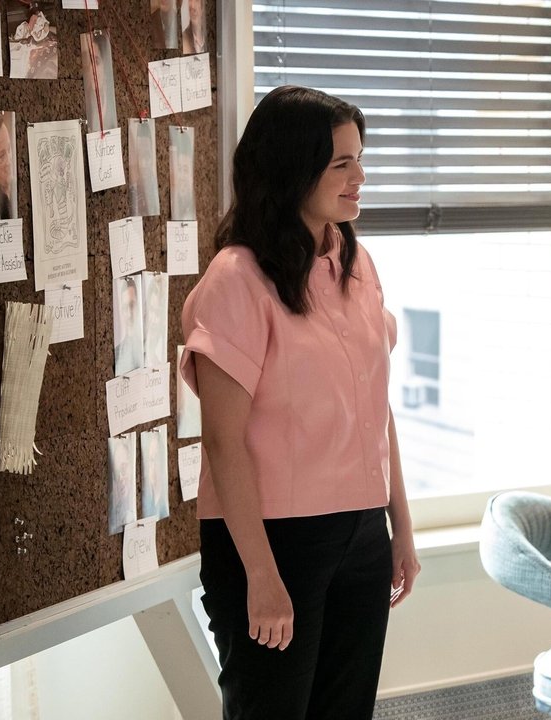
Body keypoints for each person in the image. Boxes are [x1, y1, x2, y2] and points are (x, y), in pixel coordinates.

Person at [180, 85, 420, 719]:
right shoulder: (236, 280)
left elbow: (376, 410)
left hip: (362, 535)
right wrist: (260, 574)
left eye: (359, 159)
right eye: (341, 164)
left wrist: (399, 526)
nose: (359, 177)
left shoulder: (357, 265)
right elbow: (224, 441)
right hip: (273, 542)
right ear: (293, 170)